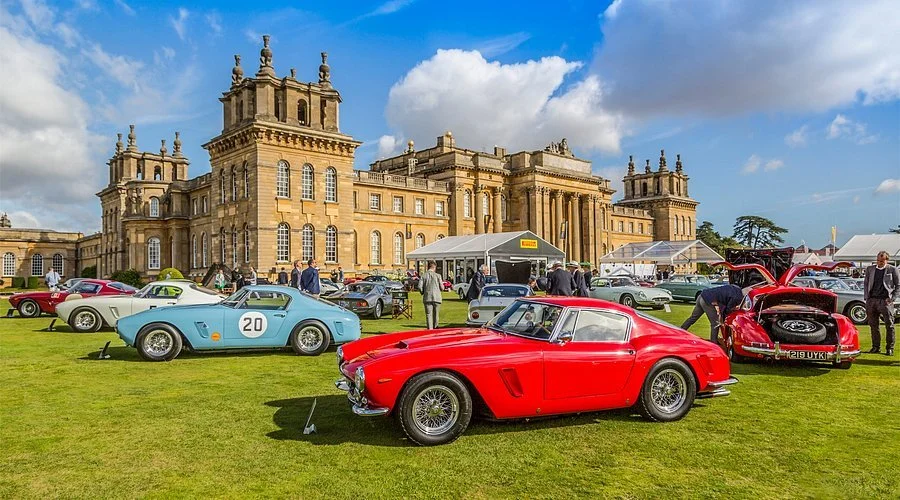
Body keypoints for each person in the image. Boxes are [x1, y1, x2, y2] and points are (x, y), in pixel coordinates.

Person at [864, 250, 899, 356]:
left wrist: (892, 298)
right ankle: (875, 347)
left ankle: (890, 348)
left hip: (885, 301)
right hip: (872, 300)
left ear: (887, 260)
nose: (879, 262)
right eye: (878, 260)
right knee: (873, 325)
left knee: (889, 325)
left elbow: (898, 285)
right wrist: (867, 298)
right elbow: (866, 283)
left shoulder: (893, 269)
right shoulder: (870, 269)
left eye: (882, 261)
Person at [419, 261, 443, 330]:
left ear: (428, 267)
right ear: (434, 267)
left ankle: (430, 329)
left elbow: (419, 287)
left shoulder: (423, 275)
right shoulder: (438, 276)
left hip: (427, 297)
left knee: (428, 315)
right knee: (436, 315)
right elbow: (442, 287)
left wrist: (423, 292)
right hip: (437, 298)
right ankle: (435, 328)